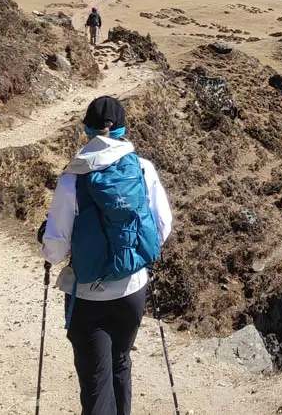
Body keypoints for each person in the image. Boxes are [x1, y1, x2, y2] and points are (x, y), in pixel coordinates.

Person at [41, 96, 171, 415]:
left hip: (88, 296)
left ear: (86, 129)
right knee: (121, 362)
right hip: (133, 289)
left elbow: (55, 248)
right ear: (123, 129)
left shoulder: (72, 177)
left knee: (96, 384)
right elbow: (161, 226)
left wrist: (47, 244)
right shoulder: (142, 168)